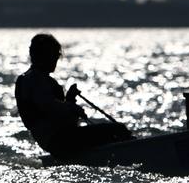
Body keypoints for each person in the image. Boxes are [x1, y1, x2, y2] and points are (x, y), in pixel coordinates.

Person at [14, 33, 130, 161]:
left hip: (60, 140)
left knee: (112, 132)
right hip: (58, 141)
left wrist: (69, 100)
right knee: (118, 130)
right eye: (54, 55)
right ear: (43, 55)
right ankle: (136, 152)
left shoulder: (39, 79)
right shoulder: (32, 79)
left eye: (57, 55)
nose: (56, 59)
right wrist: (71, 106)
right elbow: (47, 106)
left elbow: (55, 113)